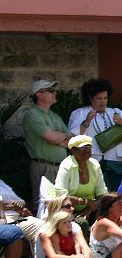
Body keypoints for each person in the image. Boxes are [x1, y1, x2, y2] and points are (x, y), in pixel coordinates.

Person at [22, 79, 71, 208]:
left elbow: (70, 141)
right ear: (39, 94)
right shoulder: (32, 115)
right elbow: (51, 137)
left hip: (60, 167)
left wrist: (58, 138)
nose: (54, 93)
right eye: (51, 90)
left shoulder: (55, 116)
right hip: (43, 167)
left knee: (62, 206)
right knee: (45, 207)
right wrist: (60, 137)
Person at [68, 78, 122, 162]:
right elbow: (72, 136)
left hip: (116, 161)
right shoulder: (80, 113)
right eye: (99, 98)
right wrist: (86, 122)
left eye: (105, 98)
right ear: (90, 98)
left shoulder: (115, 111)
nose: (103, 102)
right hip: (93, 160)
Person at [54, 135, 107, 237]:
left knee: (107, 218)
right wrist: (86, 202)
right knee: (82, 223)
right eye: (83, 147)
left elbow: (102, 193)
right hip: (67, 209)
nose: (87, 150)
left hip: (92, 208)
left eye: (89, 147)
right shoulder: (66, 165)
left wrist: (89, 209)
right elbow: (61, 196)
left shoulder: (94, 164)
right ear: (73, 151)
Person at [1, 176, 44, 250]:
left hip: (19, 217)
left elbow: (21, 202)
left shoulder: (2, 183)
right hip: (7, 219)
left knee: (45, 227)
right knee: (14, 232)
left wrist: (23, 210)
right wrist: (13, 206)